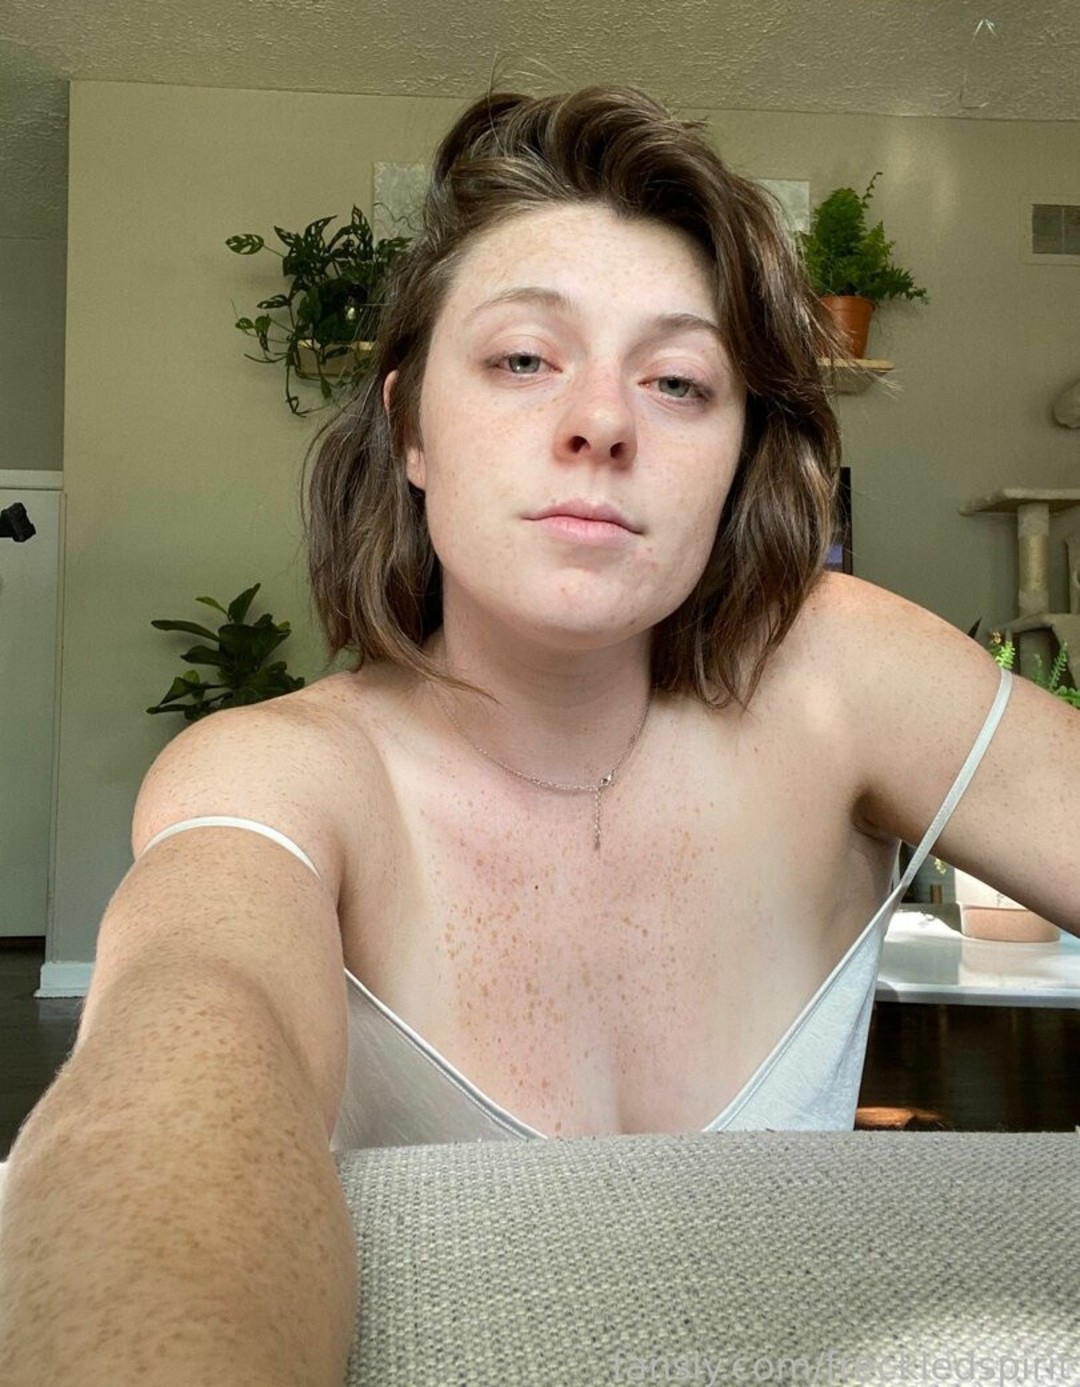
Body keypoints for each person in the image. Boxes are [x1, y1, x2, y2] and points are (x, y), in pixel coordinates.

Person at [1, 86, 1076, 1385]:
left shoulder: (842, 674)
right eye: (523, 359)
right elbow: (175, 1071)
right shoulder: (281, 772)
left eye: (678, 381)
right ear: (410, 427)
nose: (604, 419)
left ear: (737, 457)